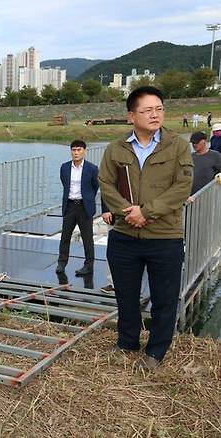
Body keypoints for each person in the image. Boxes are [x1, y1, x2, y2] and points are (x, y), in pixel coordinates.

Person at [99, 86, 193, 371]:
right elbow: (106, 184)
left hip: (164, 236)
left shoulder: (177, 145)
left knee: (164, 298)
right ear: (131, 116)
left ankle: (156, 352)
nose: (155, 115)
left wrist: (147, 212)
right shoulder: (116, 149)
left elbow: (182, 186)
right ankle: (127, 341)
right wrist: (130, 214)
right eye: (147, 110)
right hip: (125, 236)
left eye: (159, 109)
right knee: (125, 294)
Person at [55, 140, 98, 276]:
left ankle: (88, 266)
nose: (76, 153)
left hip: (84, 207)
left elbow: (94, 186)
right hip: (69, 205)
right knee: (65, 236)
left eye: (79, 150)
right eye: (73, 150)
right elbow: (64, 183)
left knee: (87, 238)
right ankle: (62, 263)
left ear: (84, 151)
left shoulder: (92, 168)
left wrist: (87, 198)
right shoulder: (65, 167)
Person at [188, 131, 221, 196]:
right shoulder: (189, 157)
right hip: (191, 197)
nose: (194, 145)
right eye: (193, 143)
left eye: (197, 142)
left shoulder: (216, 156)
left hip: (208, 196)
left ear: (204, 141)